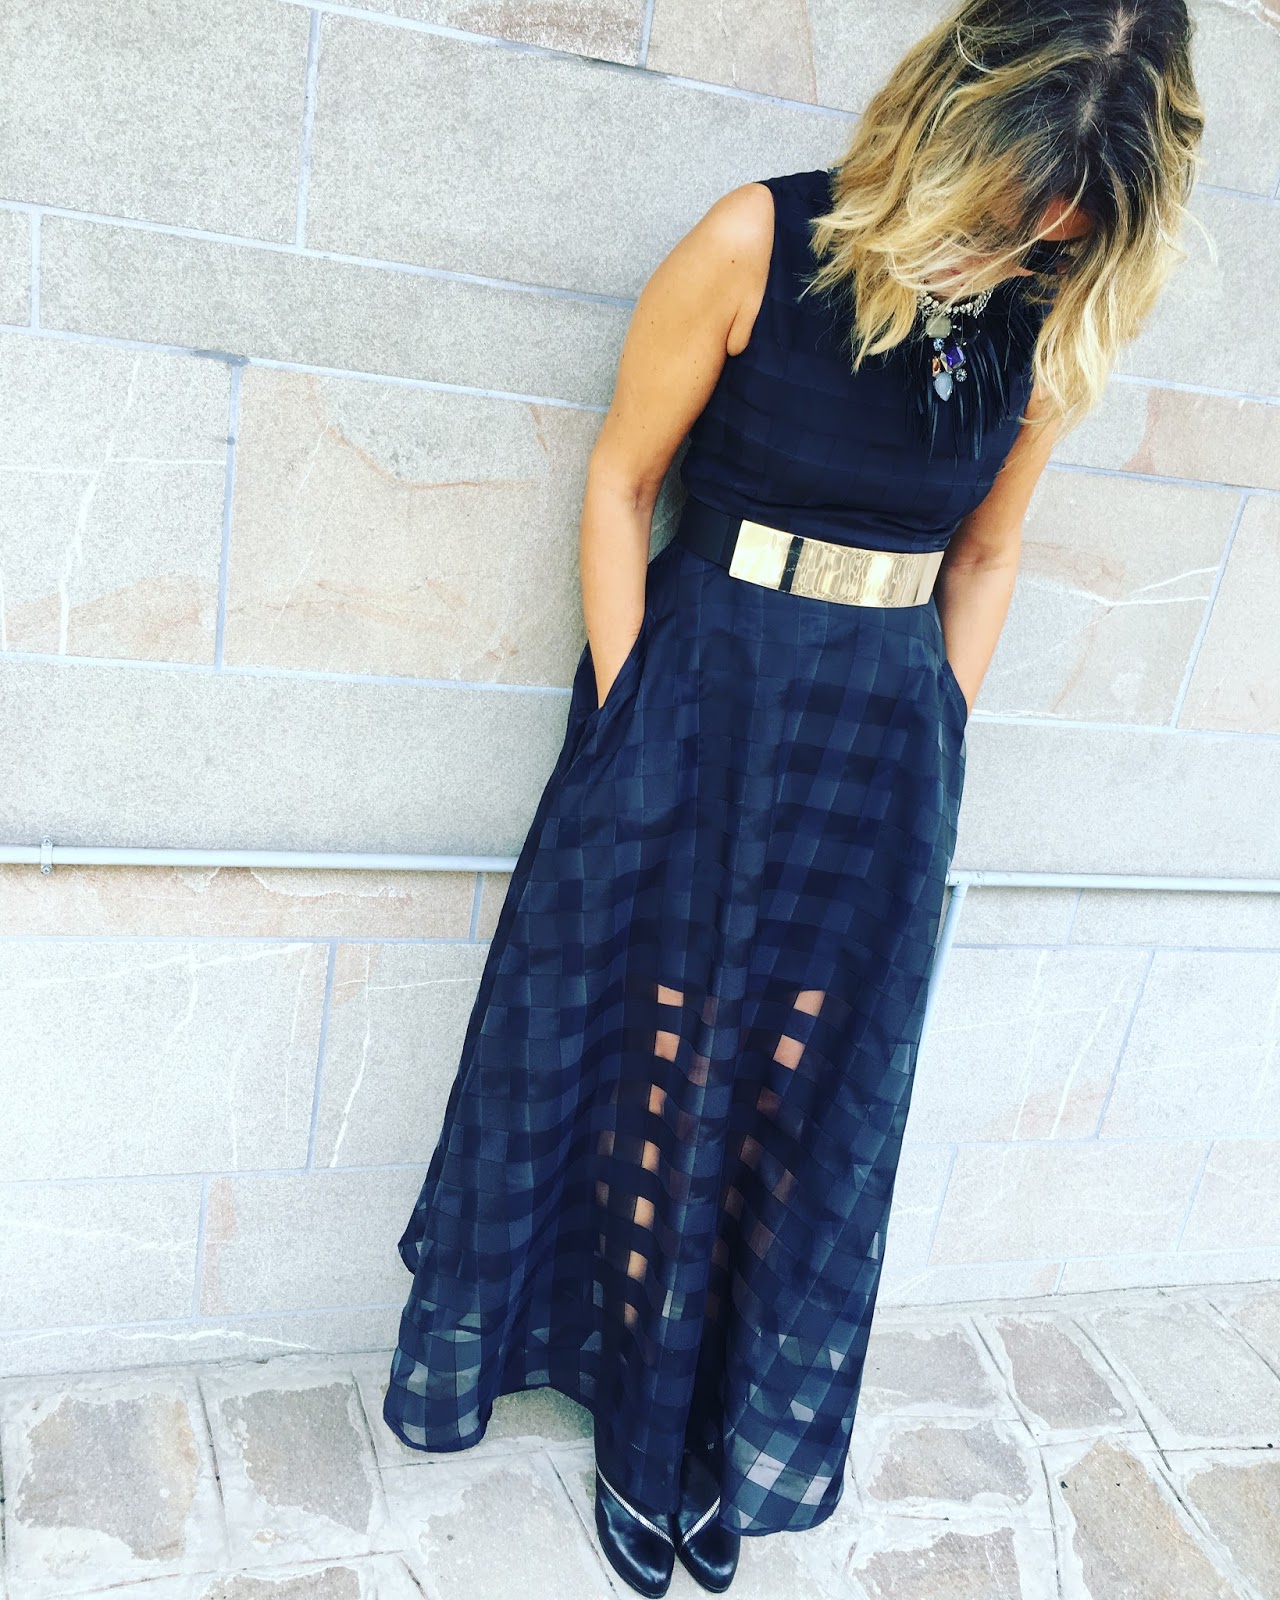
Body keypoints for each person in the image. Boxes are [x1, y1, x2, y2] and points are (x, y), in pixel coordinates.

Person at [382, 2, 1206, 1594]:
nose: (1034, 237)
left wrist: (937, 737)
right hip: (700, 693)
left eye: (1070, 220)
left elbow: (988, 552)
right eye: (1020, 194)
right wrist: (630, 712)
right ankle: (636, 1422)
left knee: (799, 1086)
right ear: (958, 113)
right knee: (646, 1044)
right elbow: (623, 480)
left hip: (877, 738)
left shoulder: (1052, 309)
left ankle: (712, 1416)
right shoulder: (756, 241)